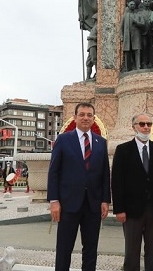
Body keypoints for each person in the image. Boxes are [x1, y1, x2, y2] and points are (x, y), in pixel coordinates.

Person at [47, 102, 111, 271]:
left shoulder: (100, 142)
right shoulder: (63, 140)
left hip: (93, 204)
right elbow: (54, 171)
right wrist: (54, 200)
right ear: (75, 117)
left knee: (90, 249)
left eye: (89, 115)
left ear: (93, 118)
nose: (85, 118)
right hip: (68, 204)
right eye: (82, 114)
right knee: (64, 248)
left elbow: (105, 173)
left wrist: (105, 199)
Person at [112, 113, 153, 271]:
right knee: (132, 250)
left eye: (149, 124)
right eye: (142, 124)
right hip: (131, 210)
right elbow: (117, 182)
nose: (146, 127)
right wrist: (119, 209)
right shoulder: (123, 150)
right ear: (134, 127)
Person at [121, 0, 146, 71]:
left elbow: (143, 24)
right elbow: (121, 27)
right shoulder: (125, 16)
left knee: (137, 50)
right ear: (128, 5)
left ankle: (138, 66)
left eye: (133, 5)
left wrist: (136, 23)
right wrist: (121, 36)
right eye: (131, 4)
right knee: (127, 51)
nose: (132, 6)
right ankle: (127, 67)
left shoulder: (138, 15)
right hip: (127, 36)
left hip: (136, 35)